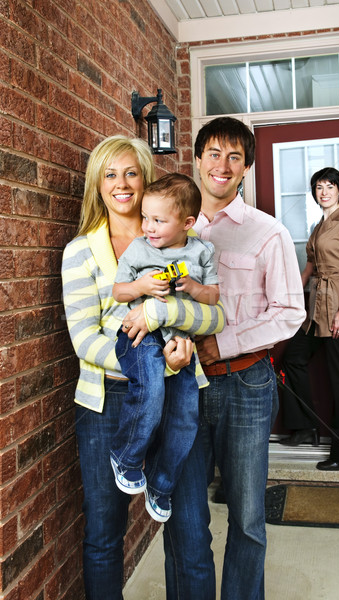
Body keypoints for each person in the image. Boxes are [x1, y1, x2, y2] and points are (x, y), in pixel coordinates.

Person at [61, 135, 225, 600]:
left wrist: (165, 323)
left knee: (192, 533)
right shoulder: (81, 252)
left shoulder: (183, 242)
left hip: (178, 391)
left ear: (147, 178)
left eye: (131, 172)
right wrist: (146, 365)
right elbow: (84, 339)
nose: (121, 184)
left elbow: (214, 315)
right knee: (104, 536)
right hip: (106, 402)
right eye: (110, 174)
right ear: (97, 184)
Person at [157, 116, 305, 600]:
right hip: (181, 385)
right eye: (213, 154)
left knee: (246, 517)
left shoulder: (268, 233)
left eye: (234, 157)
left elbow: (289, 314)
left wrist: (224, 341)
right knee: (185, 516)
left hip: (245, 386)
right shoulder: (169, 225)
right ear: (197, 160)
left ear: (246, 169)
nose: (222, 165)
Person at [110, 173, 220, 523]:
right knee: (152, 390)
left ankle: (161, 485)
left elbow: (214, 298)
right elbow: (118, 293)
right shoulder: (139, 248)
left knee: (187, 416)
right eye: (145, 217)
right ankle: (126, 457)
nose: (148, 226)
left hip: (181, 339)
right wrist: (140, 284)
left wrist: (193, 286)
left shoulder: (202, 251)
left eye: (158, 220)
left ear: (187, 223)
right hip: (139, 337)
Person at [279, 167, 339, 471]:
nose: (324, 191)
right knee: (292, 359)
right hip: (316, 308)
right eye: (319, 187)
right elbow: (311, 267)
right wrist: (292, 295)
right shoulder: (319, 226)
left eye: (330, 186)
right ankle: (304, 426)